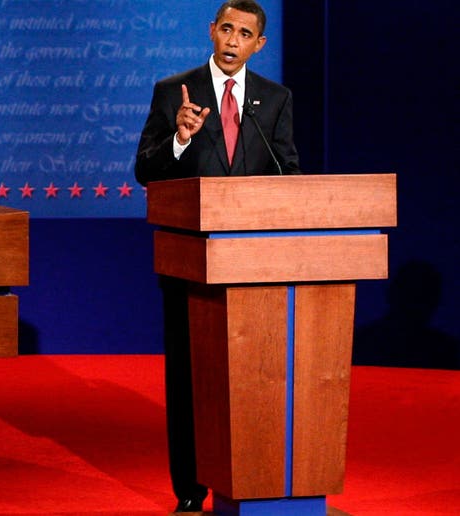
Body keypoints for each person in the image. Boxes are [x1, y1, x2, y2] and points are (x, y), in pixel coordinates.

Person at [133, 1, 300, 512]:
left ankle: (250, 476)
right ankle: (189, 489)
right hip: (190, 264)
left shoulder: (274, 100)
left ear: (258, 44)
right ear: (212, 31)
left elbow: (288, 174)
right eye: (226, 28)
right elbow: (144, 170)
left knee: (253, 378)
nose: (233, 39)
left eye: (244, 33)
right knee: (189, 381)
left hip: (254, 265)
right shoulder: (173, 93)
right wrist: (180, 138)